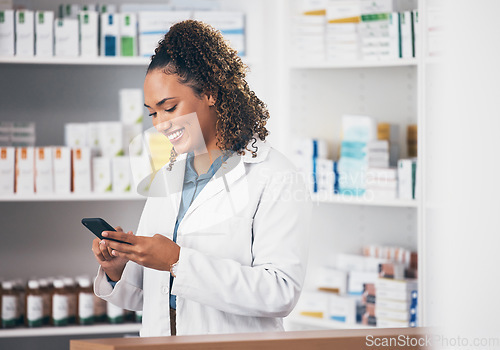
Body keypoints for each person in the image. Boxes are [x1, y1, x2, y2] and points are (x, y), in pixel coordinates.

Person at [91, 20, 311, 337]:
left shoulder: (276, 175)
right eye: (153, 113)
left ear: (209, 93)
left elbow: (280, 293)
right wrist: (117, 269)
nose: (162, 124)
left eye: (170, 107)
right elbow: (150, 295)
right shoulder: (168, 176)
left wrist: (178, 262)